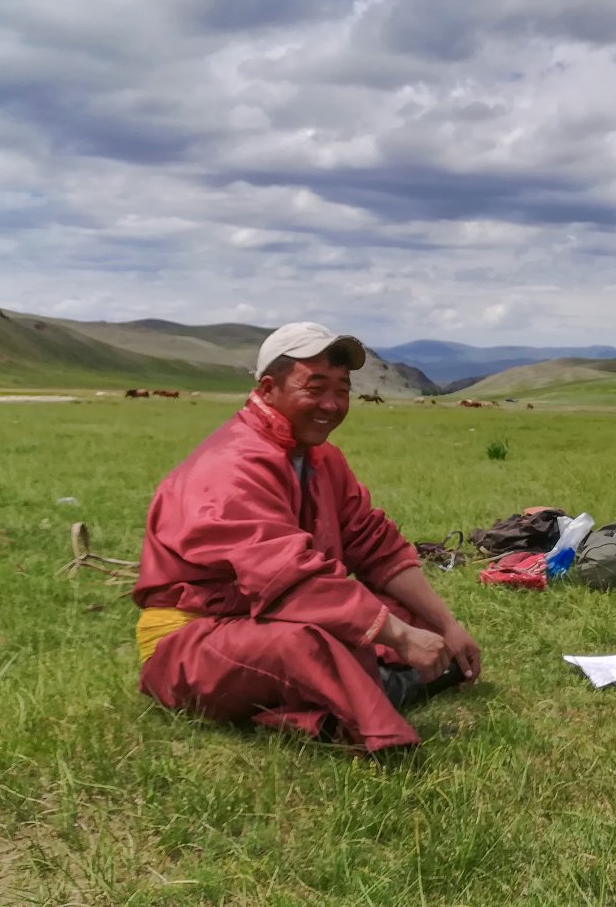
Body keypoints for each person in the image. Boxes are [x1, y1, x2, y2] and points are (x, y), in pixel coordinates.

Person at [133, 321, 482, 754]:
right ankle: (366, 703)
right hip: (194, 638)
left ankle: (360, 685)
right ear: (267, 389)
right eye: (315, 387)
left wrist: (446, 625)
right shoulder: (230, 467)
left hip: (267, 616)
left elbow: (373, 544)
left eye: (342, 389)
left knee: (410, 619)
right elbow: (290, 578)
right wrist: (401, 638)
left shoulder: (320, 458)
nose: (332, 405)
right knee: (311, 643)